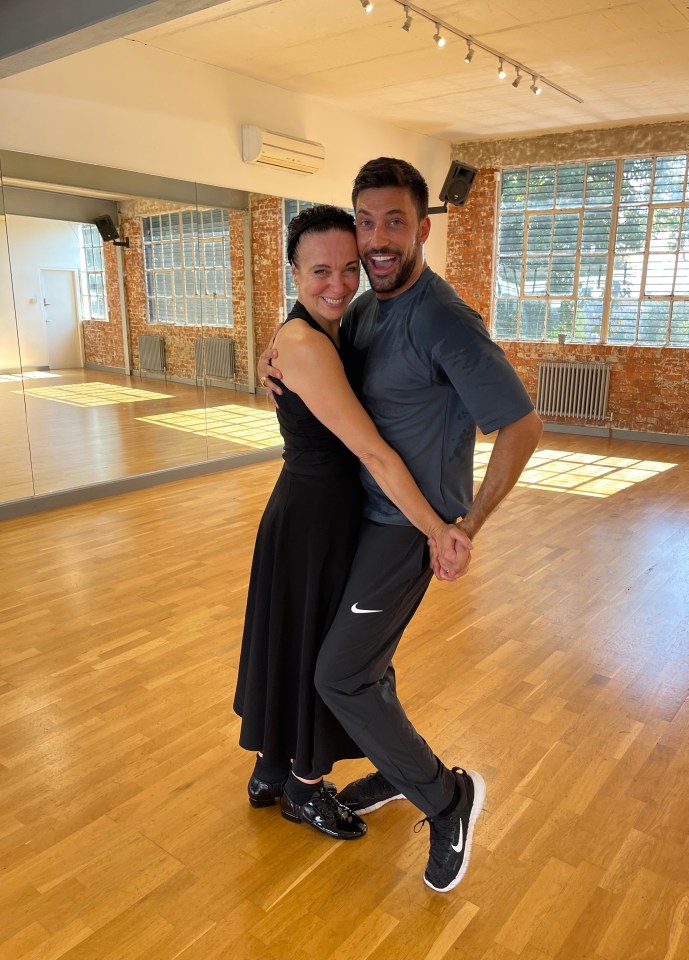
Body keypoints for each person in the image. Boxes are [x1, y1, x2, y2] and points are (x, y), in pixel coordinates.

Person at [260, 159, 544, 890]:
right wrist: (279, 346)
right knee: (364, 666)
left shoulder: (444, 319)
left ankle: (448, 799)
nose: (378, 240)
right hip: (357, 517)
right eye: (367, 221)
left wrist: (466, 524)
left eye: (395, 222)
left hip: (406, 528)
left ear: (422, 228)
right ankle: (398, 770)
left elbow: (521, 427)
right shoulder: (364, 303)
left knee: (341, 676)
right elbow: (316, 336)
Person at [234, 204, 471, 843]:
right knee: (320, 653)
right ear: (293, 271)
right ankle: (304, 793)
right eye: (319, 271)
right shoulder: (308, 342)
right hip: (318, 517)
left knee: (299, 643)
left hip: (313, 513)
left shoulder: (322, 330)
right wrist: (433, 527)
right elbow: (371, 451)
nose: (337, 283)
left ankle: (271, 769)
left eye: (348, 268)